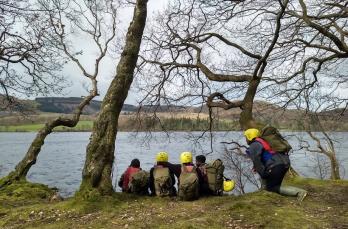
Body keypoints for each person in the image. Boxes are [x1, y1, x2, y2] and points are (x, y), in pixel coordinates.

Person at [244, 128, 307, 201]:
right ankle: (267, 195)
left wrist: (263, 173)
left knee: (272, 188)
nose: (245, 139)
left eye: (246, 137)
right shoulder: (264, 141)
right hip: (284, 163)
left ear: (249, 136)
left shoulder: (254, 145)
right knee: (273, 186)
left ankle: (299, 192)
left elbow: (257, 161)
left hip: (275, 165)